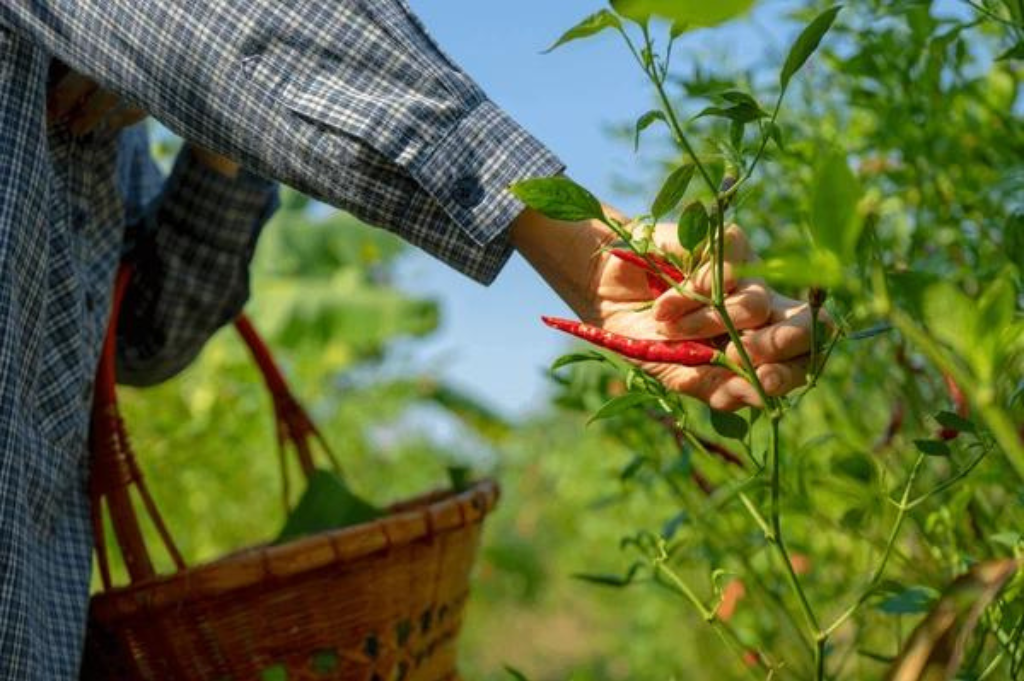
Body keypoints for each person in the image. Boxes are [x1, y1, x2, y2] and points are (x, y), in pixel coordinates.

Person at [0, 2, 816, 677]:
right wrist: (583, 247)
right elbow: (235, 20)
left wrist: (216, 134)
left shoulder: (95, 102)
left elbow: (144, 331)